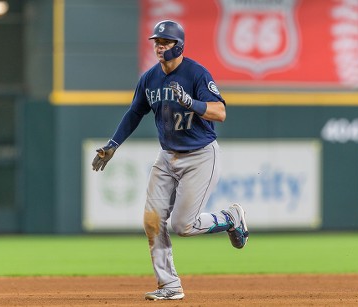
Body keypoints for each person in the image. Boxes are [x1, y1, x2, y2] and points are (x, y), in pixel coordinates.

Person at [92, 20, 249, 301]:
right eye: (156, 42)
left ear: (179, 47)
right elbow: (134, 113)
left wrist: (192, 103)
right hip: (166, 156)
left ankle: (229, 218)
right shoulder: (149, 78)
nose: (159, 47)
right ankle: (170, 285)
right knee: (152, 221)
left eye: (164, 43)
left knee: (183, 227)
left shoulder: (197, 74)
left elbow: (220, 112)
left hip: (200, 156)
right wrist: (113, 144)